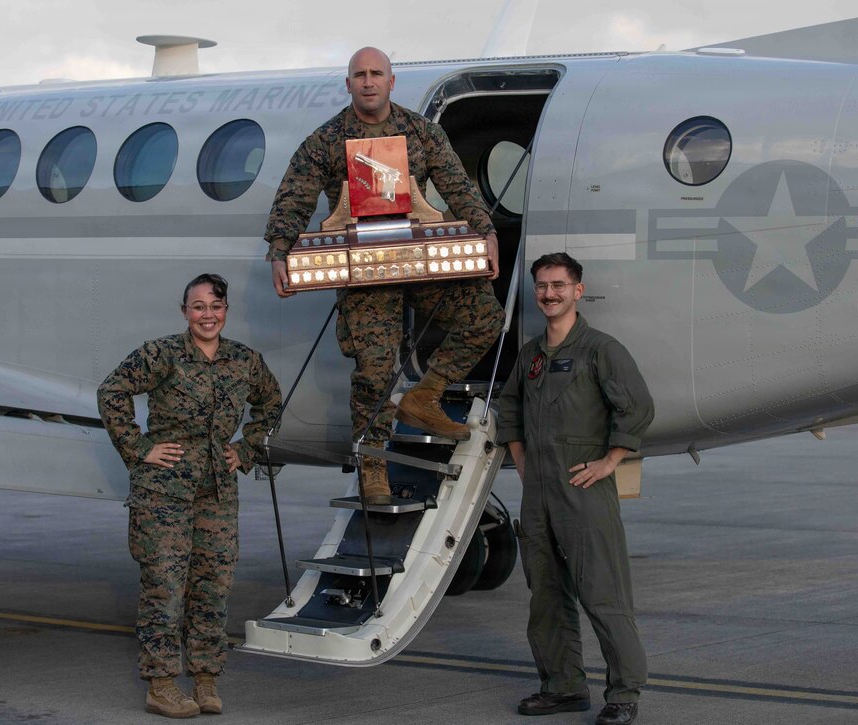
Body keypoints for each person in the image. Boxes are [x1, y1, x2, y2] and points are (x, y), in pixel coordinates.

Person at [264, 46, 504, 502]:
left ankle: (425, 394)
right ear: (348, 83)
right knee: (375, 375)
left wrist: (486, 232)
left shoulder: (420, 132)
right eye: (360, 75)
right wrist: (280, 253)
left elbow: (457, 185)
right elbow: (293, 198)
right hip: (364, 272)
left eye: (377, 73)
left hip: (420, 262)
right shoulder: (327, 139)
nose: (368, 81)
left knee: (485, 317)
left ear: (392, 81)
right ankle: (373, 471)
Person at [97, 274, 281, 718]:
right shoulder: (162, 354)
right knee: (165, 588)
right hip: (164, 494)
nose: (207, 315)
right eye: (198, 307)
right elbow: (112, 391)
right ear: (185, 313)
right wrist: (140, 448)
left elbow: (271, 404)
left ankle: (205, 679)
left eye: (215, 306)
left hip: (217, 492)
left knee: (212, 587)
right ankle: (161, 685)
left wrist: (248, 449)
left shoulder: (243, 360)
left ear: (225, 311)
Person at [496, 253, 654, 725]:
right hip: (539, 493)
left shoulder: (600, 350)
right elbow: (508, 409)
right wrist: (523, 464)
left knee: (603, 593)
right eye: (542, 286)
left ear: (577, 291)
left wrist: (610, 461)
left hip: (583, 492)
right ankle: (562, 686)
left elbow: (637, 408)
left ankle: (624, 692)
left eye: (559, 285)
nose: (549, 294)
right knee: (545, 595)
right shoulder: (531, 355)